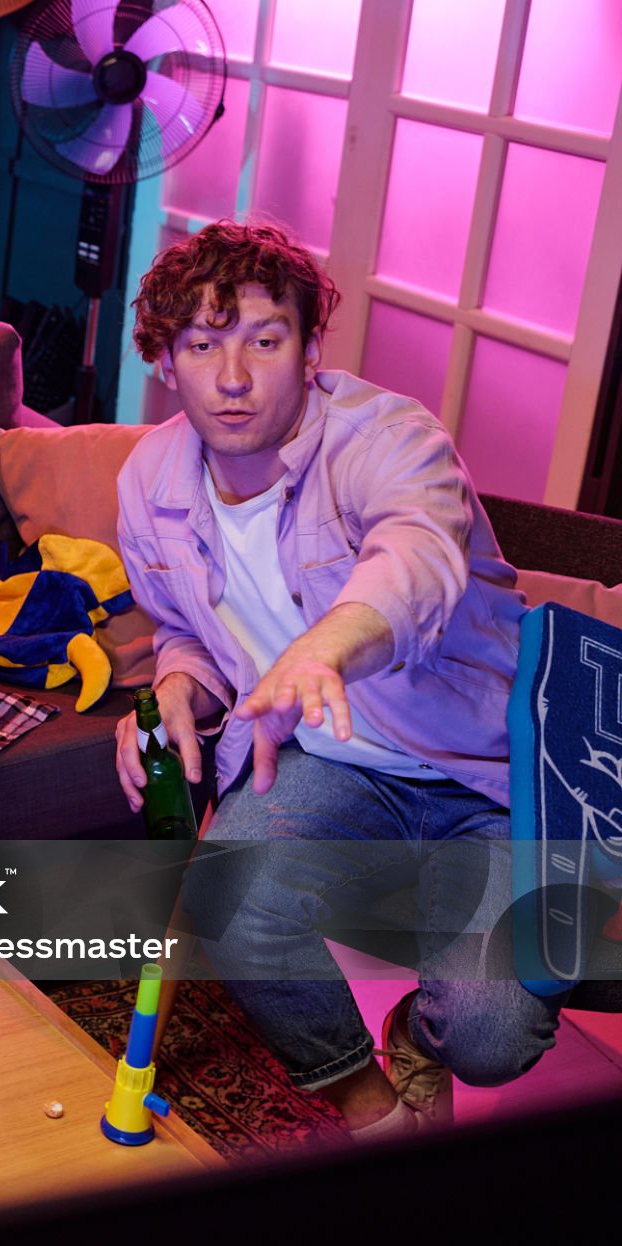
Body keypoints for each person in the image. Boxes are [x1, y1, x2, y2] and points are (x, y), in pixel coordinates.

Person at [114, 219, 557, 1139]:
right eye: (201, 345)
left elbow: (417, 557)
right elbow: (186, 629)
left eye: (264, 341)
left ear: (311, 348)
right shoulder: (149, 479)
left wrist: (327, 646)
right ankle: (370, 1111)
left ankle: (422, 1035)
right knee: (229, 894)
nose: (232, 378)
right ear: (165, 360)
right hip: (324, 763)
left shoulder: (388, 436)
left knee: (490, 1034)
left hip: (483, 773)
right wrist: (176, 687)